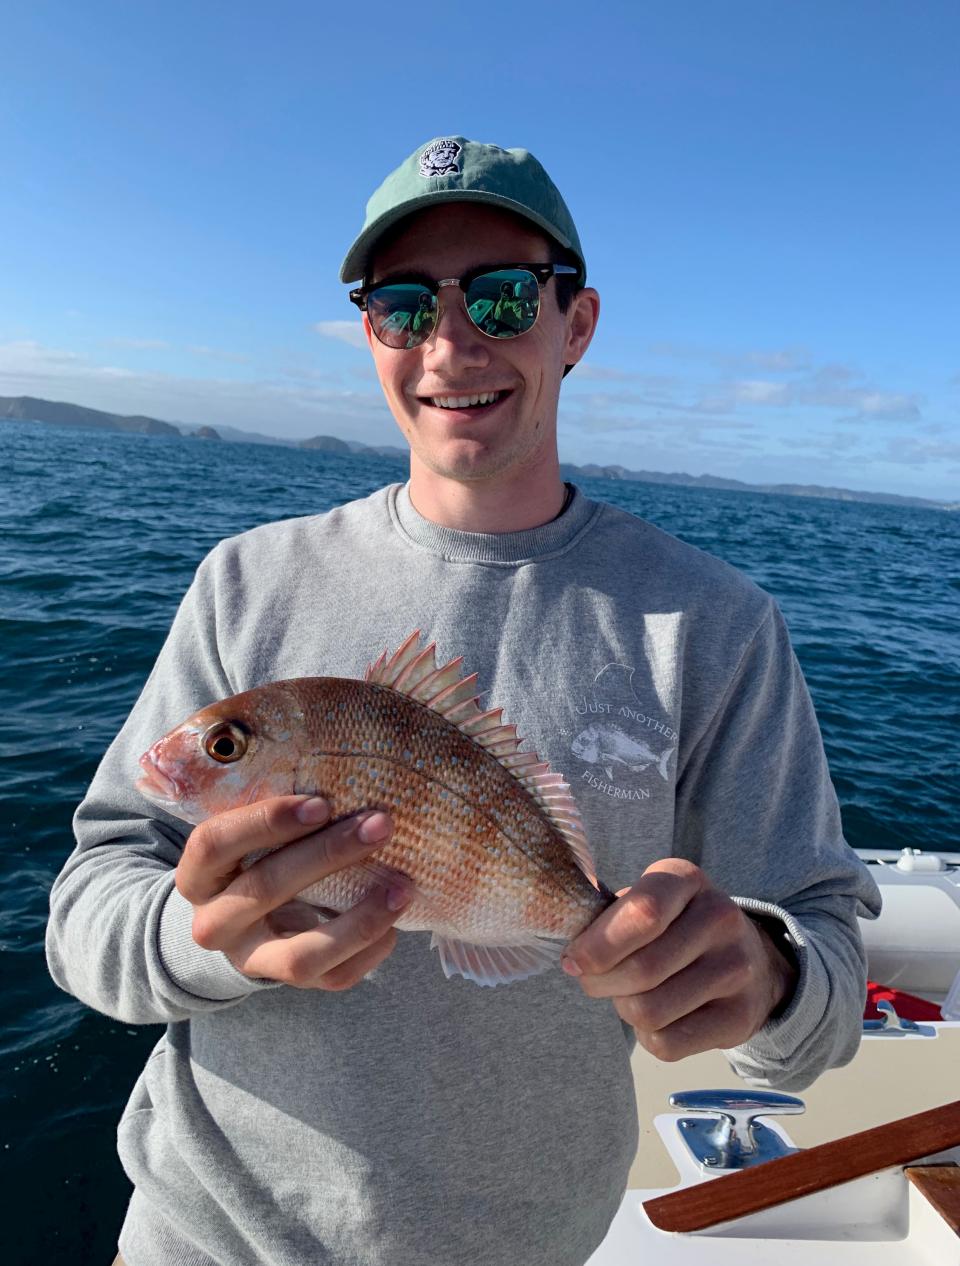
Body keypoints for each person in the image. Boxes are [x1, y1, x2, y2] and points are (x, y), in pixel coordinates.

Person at [46, 135, 881, 1266]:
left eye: (500, 297)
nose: (450, 343)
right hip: (203, 1235)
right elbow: (88, 907)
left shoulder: (718, 625)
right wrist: (212, 944)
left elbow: (826, 966)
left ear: (576, 324)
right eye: (403, 306)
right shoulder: (245, 581)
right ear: (369, 334)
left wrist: (767, 975)